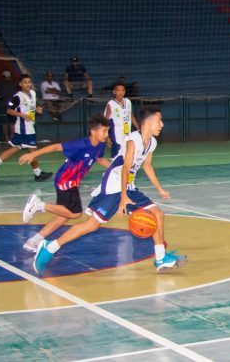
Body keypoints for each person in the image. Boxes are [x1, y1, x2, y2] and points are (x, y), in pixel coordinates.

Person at [34, 106, 185, 274]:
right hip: (114, 185)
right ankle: (50, 247)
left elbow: (147, 165)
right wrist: (123, 197)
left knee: (158, 213)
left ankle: (160, 258)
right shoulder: (132, 140)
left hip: (128, 186)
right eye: (159, 120)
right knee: (92, 225)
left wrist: (159, 189)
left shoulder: (152, 143)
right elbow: (125, 169)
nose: (162, 124)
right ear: (148, 122)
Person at [19, 114, 111, 252]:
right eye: (104, 131)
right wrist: (33, 155)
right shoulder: (81, 144)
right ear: (93, 131)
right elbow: (56, 147)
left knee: (63, 216)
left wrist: (116, 169)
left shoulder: (99, 146)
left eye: (107, 131)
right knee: (75, 214)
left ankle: (34, 240)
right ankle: (38, 205)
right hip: (65, 180)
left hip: (73, 182)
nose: (106, 134)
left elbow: (100, 160)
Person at [0, 74, 53, 182]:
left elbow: (31, 107)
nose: (28, 84)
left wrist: (37, 110)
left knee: (16, 147)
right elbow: (9, 110)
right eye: (25, 82)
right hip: (24, 128)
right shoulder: (17, 97)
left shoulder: (33, 93)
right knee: (33, 151)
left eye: (29, 82)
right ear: (20, 84)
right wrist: (22, 115)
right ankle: (38, 174)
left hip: (29, 125)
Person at [105, 81, 139, 157]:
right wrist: (107, 137)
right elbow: (106, 121)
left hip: (127, 133)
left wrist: (139, 128)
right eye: (118, 90)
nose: (120, 92)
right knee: (116, 156)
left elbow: (131, 115)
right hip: (115, 133)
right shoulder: (111, 104)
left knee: (126, 154)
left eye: (122, 90)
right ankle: (114, 168)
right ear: (114, 91)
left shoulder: (128, 102)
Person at [0, 70, 17, 143]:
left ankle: (5, 138)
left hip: (2, 104)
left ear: (3, 76)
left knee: (4, 122)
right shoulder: (14, 84)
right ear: (10, 76)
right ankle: (12, 138)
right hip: (12, 104)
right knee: (12, 122)